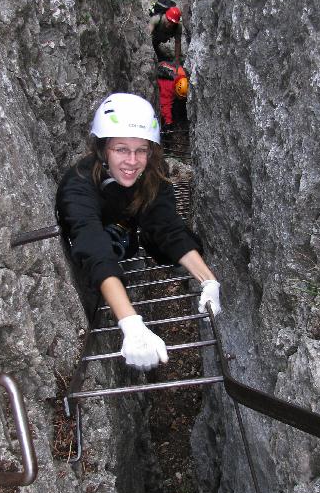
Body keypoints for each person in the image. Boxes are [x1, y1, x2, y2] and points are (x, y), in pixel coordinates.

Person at [56, 93, 221, 371]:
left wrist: (208, 281)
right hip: (101, 236)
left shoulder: (153, 174)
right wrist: (131, 324)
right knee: (107, 248)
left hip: (129, 226)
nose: (132, 161)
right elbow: (92, 246)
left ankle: (138, 243)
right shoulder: (79, 185)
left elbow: (167, 225)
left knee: (157, 244)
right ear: (103, 150)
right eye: (121, 149)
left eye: (141, 150)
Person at [156, 61, 189, 132]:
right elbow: (165, 105)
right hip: (159, 82)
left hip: (162, 65)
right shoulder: (168, 88)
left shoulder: (181, 75)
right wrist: (168, 122)